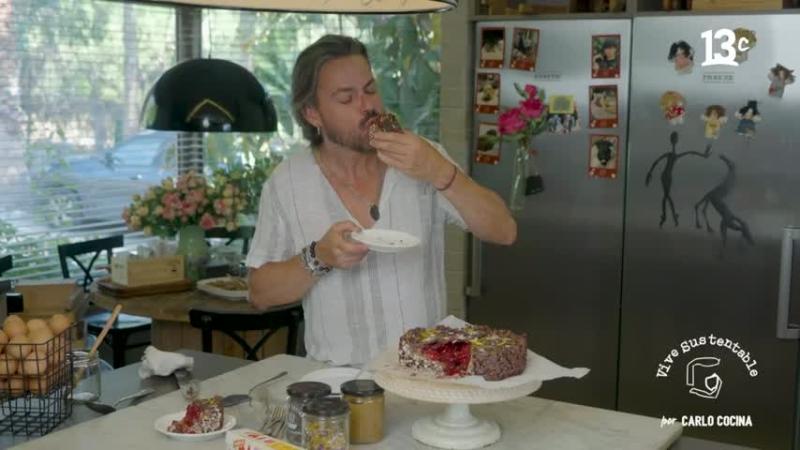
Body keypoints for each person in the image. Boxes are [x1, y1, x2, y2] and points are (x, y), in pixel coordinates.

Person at [246, 35, 517, 366]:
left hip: (424, 377)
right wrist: (319, 256)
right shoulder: (287, 183)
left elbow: (504, 231)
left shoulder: (424, 158)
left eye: (370, 90)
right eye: (346, 98)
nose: (367, 106)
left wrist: (440, 171)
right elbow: (260, 293)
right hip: (335, 385)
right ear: (312, 113)